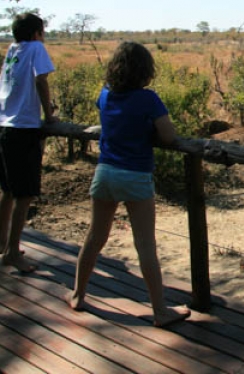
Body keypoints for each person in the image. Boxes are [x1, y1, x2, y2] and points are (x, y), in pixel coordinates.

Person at [66, 41, 190, 328]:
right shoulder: (148, 99)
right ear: (145, 70)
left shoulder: (105, 95)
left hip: (105, 171)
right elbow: (169, 136)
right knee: (145, 245)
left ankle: (78, 294)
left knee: (94, 238)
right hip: (134, 175)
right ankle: (160, 311)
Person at [0, 13, 57, 273]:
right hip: (24, 127)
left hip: (5, 125)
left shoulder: (13, 49)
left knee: (8, 190)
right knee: (24, 194)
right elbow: (40, 79)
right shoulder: (36, 48)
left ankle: (4, 244)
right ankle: (12, 252)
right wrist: (49, 113)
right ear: (37, 33)